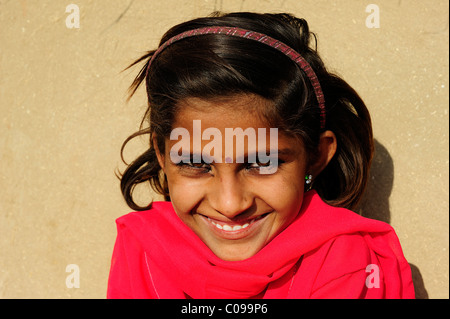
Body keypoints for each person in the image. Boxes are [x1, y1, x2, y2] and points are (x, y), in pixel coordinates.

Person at [107, 12, 415, 299]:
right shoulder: (143, 249)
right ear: (161, 153)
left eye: (261, 163)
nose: (229, 205)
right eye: (195, 165)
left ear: (316, 156)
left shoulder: (346, 262)